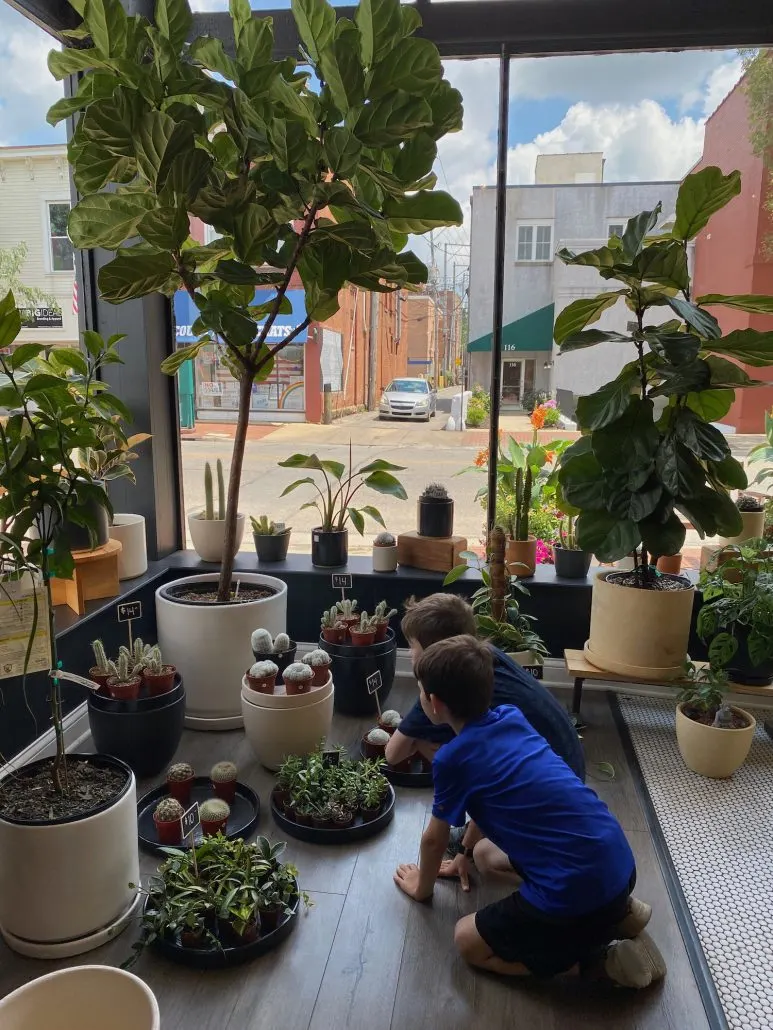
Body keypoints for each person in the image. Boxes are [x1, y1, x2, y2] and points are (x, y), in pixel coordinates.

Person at [393, 636, 666, 989]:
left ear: (434, 702)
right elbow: (489, 799)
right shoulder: (510, 716)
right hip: (618, 862)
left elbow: (433, 840)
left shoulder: (451, 758)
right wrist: (463, 854)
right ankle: (619, 913)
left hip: (576, 888)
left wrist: (422, 888)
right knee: (485, 855)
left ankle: (598, 963)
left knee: (467, 941)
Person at [385, 593, 585, 782]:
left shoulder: (446, 681)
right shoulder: (486, 655)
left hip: (540, 794)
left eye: (413, 646)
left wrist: (419, 741)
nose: (410, 654)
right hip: (571, 771)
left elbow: (392, 754)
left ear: (434, 651)